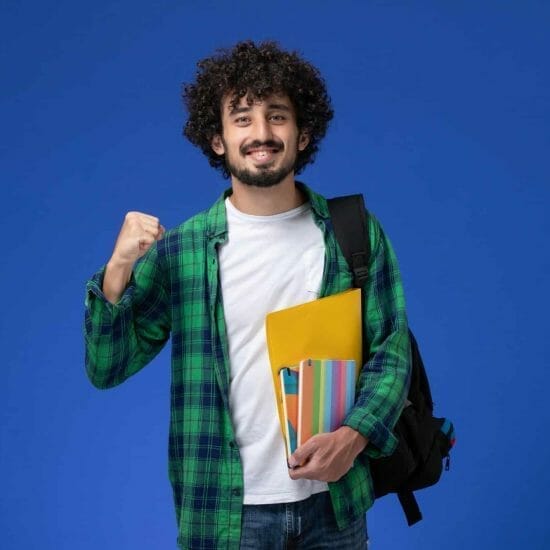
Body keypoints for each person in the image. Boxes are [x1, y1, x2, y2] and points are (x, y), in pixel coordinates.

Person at [84, 40, 411, 550]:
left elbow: (391, 352)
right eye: (242, 119)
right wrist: (118, 267)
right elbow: (106, 366)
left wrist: (355, 436)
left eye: (277, 116)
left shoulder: (353, 232)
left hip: (333, 505)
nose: (261, 134)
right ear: (217, 139)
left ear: (303, 134)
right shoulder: (184, 250)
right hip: (223, 511)